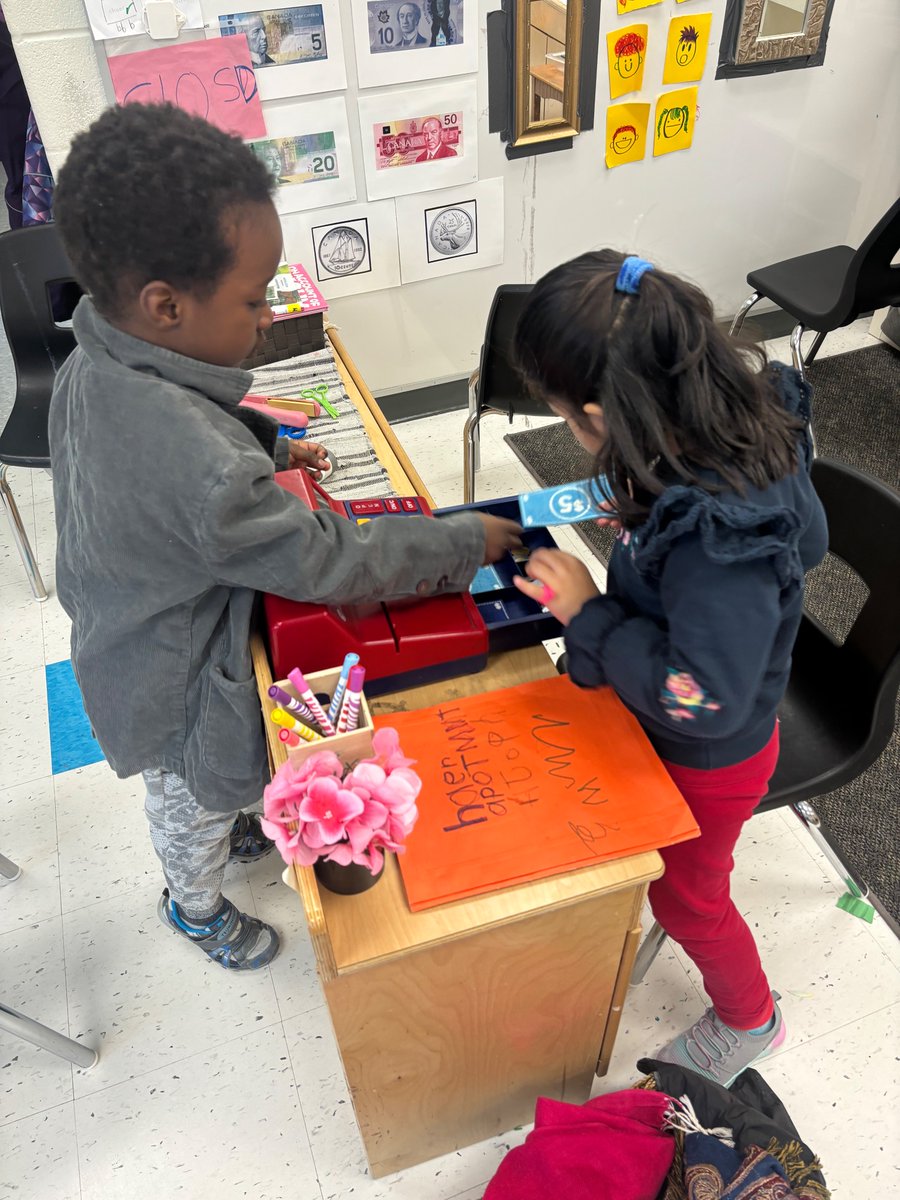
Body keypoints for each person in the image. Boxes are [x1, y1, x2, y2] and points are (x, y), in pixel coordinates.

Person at [50, 103, 522, 972]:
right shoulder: (196, 469)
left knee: (199, 786)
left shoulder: (97, 353)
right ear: (165, 305)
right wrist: (460, 542)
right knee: (184, 797)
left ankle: (222, 833)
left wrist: (270, 443)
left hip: (129, 618)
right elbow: (326, 561)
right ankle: (192, 905)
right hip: (164, 676)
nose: (268, 316)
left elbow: (194, 419)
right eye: (253, 298)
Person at [511, 250, 827, 1087]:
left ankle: (750, 1018)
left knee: (687, 898)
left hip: (710, 755)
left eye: (568, 422)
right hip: (684, 709)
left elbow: (702, 698)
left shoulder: (720, 537)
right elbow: (814, 539)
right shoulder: (736, 417)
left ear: (598, 416)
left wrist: (591, 615)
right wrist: (653, 521)